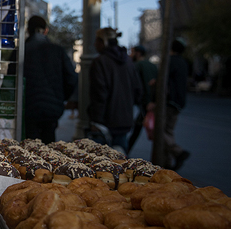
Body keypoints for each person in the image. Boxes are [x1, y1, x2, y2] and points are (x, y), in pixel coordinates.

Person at [23, 15, 78, 143]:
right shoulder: (57, 50)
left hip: (28, 107)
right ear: (45, 30)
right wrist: (60, 97)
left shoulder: (22, 51)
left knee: (29, 146)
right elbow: (72, 77)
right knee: (50, 145)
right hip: (52, 108)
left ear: (28, 30)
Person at [87, 28, 143, 154]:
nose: (95, 44)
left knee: (100, 164)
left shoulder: (100, 62)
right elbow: (138, 91)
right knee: (120, 163)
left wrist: (96, 120)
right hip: (124, 120)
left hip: (105, 122)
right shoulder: (128, 62)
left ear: (103, 42)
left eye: (96, 41)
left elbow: (99, 94)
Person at [159, 39, 190, 170]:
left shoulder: (170, 61)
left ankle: (177, 151)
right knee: (168, 130)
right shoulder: (183, 62)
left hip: (169, 101)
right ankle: (166, 161)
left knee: (160, 130)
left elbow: (163, 80)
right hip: (179, 101)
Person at [127, 45, 158, 153]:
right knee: (140, 127)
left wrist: (147, 101)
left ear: (138, 53)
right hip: (151, 102)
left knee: (138, 127)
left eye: (132, 52)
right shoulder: (153, 66)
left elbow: (139, 85)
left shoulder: (137, 65)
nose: (130, 55)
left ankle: (125, 151)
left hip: (144, 102)